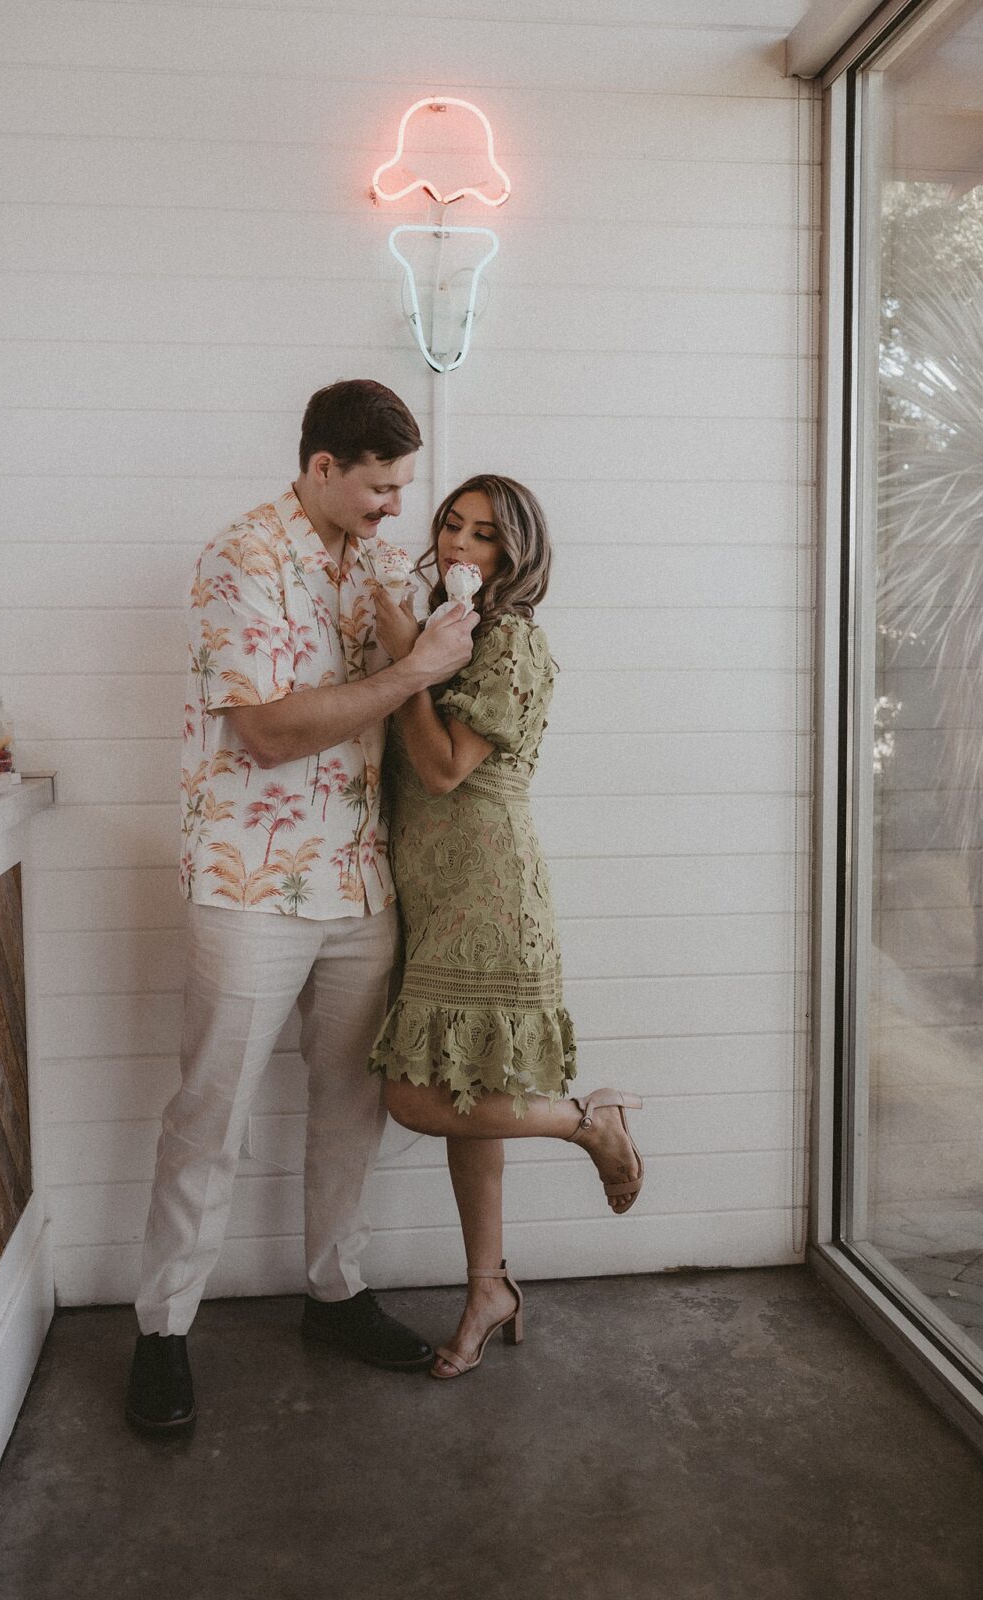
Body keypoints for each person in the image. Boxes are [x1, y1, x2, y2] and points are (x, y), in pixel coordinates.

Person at [125, 380, 478, 1431]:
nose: (393, 509)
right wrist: (412, 665)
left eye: (403, 487)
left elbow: (418, 689)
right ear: (322, 467)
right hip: (249, 884)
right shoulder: (241, 557)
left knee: (349, 1108)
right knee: (209, 1112)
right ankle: (161, 1330)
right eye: (379, 487)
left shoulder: (373, 557)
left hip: (361, 878)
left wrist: (440, 635)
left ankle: (333, 1290)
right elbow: (268, 732)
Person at [368, 474, 644, 1380]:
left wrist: (410, 665)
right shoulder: (452, 628)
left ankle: (586, 1123)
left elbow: (447, 769)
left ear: (513, 553)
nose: (458, 546)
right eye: (450, 526)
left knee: (416, 1097)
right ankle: (489, 1287)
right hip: (426, 886)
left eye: (482, 535)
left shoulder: (514, 642)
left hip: (489, 889)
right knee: (465, 1095)